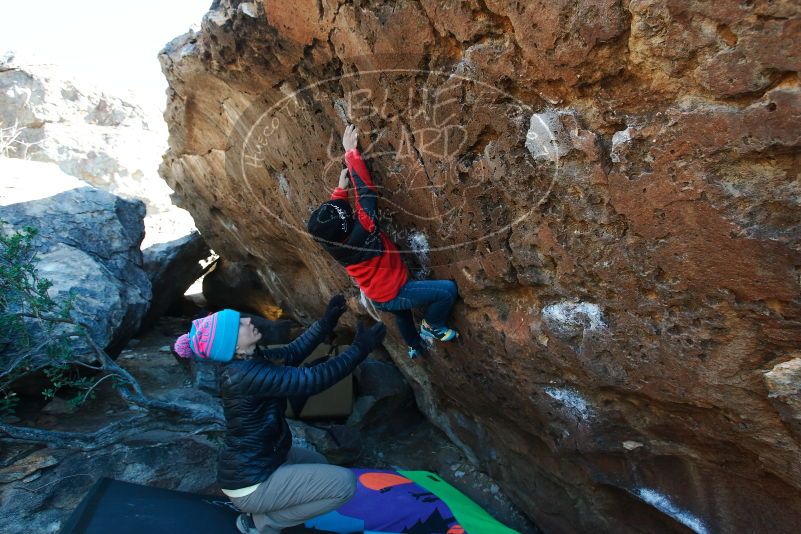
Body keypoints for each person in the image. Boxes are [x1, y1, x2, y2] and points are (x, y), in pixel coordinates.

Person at [174, 295, 386, 534]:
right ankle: (259, 523)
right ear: (231, 345)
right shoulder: (245, 376)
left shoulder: (248, 359)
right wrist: (358, 350)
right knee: (343, 485)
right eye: (239, 325)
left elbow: (292, 352)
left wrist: (325, 323)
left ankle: (272, 507)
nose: (247, 321)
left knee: (318, 464)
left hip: (263, 462)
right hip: (251, 485)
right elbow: (312, 380)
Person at [307, 124, 459, 359]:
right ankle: (432, 326)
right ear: (350, 225)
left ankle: (414, 346)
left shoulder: (330, 243)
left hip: (378, 297)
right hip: (396, 292)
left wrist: (339, 192)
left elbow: (333, 226)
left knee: (402, 314)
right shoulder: (366, 229)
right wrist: (350, 154)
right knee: (447, 292)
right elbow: (365, 192)